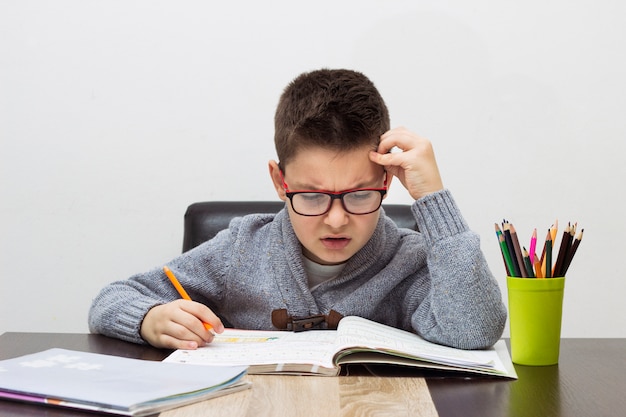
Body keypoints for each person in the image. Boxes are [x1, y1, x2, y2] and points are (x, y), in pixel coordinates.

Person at [88, 68, 506, 351]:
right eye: (311, 197)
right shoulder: (241, 249)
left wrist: (433, 198)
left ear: (386, 181)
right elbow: (111, 299)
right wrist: (150, 318)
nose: (337, 219)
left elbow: (475, 331)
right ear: (279, 182)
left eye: (360, 195)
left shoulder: (408, 261)